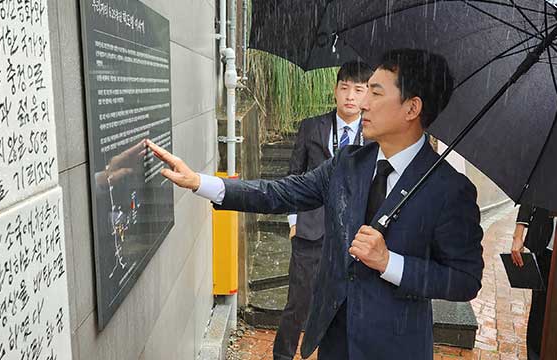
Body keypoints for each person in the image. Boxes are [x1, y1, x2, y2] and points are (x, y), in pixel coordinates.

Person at [146, 48, 484, 360]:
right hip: (335, 338)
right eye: (363, 90)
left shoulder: (449, 190)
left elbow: (465, 279)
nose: (362, 102)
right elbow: (281, 193)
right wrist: (202, 183)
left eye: (376, 92)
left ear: (412, 108)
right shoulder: (349, 163)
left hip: (395, 345)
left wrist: (390, 262)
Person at [276, 60, 373, 360]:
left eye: (358, 90)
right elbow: (293, 175)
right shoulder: (311, 127)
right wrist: (293, 221)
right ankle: (282, 355)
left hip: (352, 236)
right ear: (335, 91)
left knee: (345, 305)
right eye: (345, 88)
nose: (350, 96)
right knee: (298, 303)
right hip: (310, 230)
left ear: (367, 94)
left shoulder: (373, 135)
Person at [512, 204, 556, 360]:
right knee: (539, 307)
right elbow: (531, 193)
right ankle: (534, 356)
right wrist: (518, 235)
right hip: (543, 244)